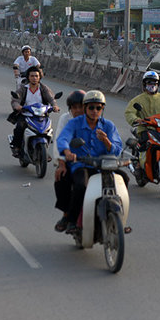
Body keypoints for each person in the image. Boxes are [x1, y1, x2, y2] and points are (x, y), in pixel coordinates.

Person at [56, 90, 124, 234]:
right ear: (86, 108)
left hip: (104, 167)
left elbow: (117, 149)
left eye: (98, 108)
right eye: (91, 107)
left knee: (124, 179)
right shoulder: (74, 123)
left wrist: (106, 141)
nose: (94, 111)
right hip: (82, 165)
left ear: (102, 109)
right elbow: (63, 138)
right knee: (80, 186)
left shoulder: (108, 126)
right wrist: (67, 152)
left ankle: (120, 220)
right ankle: (72, 220)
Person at [52, 90, 85, 232]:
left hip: (95, 161)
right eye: (74, 107)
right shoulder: (66, 120)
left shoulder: (98, 120)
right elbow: (59, 140)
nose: (78, 111)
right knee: (63, 179)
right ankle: (67, 214)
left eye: (81, 107)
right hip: (73, 161)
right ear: (70, 109)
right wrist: (61, 162)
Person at [9, 66, 59, 157]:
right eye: (32, 76)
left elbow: (51, 99)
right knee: (20, 127)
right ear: (28, 77)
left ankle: (45, 149)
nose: (34, 78)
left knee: (48, 129)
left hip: (41, 115)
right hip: (26, 114)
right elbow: (15, 99)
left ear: (39, 77)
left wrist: (54, 106)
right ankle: (16, 147)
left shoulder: (44, 88)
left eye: (36, 76)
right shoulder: (23, 89)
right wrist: (17, 106)